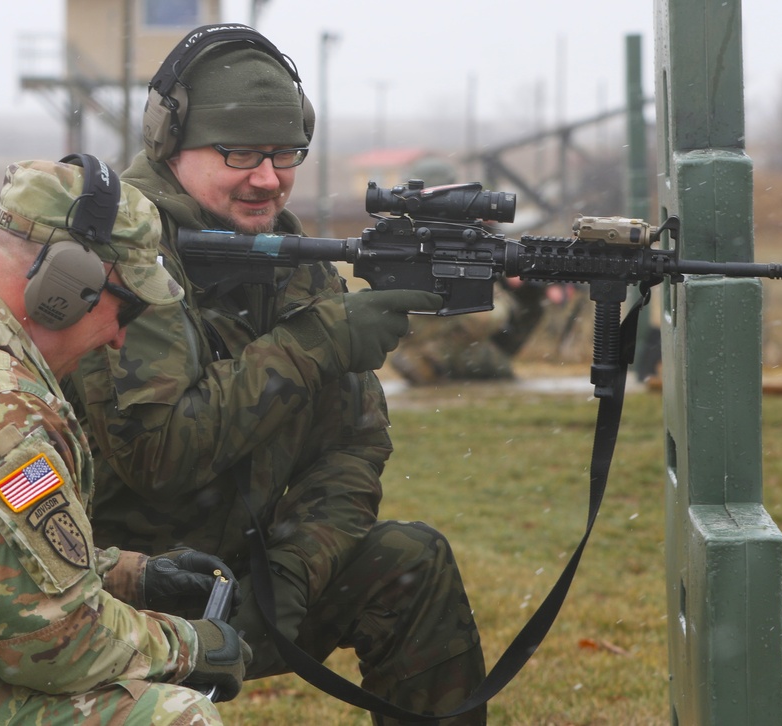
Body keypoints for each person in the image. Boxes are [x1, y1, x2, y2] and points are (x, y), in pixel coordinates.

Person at [65, 24, 487, 726]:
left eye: (286, 153)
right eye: (238, 153)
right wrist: (317, 341)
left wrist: (293, 572)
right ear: (169, 143)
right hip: (113, 590)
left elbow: (355, 443)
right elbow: (158, 452)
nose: (268, 177)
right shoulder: (118, 254)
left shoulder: (292, 261)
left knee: (410, 561)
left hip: (256, 579)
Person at [0, 156, 251, 725]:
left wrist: (128, 575)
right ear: (66, 286)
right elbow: (51, 645)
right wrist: (191, 645)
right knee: (174, 717)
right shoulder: (0, 412)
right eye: (128, 307)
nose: (119, 337)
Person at [388, 157, 547, 385]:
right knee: (492, 322)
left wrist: (518, 284)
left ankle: (430, 358)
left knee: (514, 312)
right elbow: (490, 318)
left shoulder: (459, 232)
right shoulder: (417, 237)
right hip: (438, 333)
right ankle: (431, 357)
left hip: (442, 337)